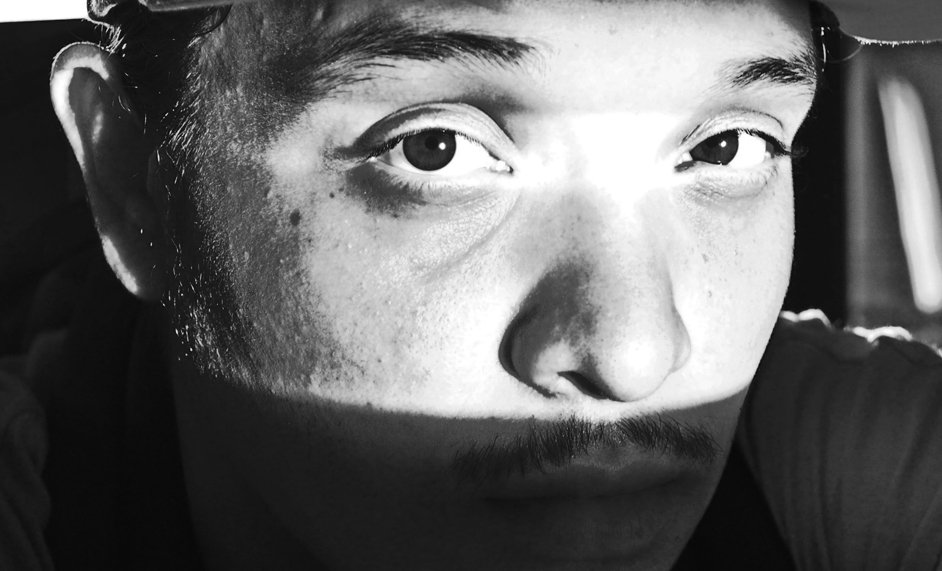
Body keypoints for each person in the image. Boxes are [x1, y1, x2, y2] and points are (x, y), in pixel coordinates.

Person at [1, 0, 939, 569]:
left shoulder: (837, 470)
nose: (635, 356)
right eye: (435, 148)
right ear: (133, 179)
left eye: (726, 146)